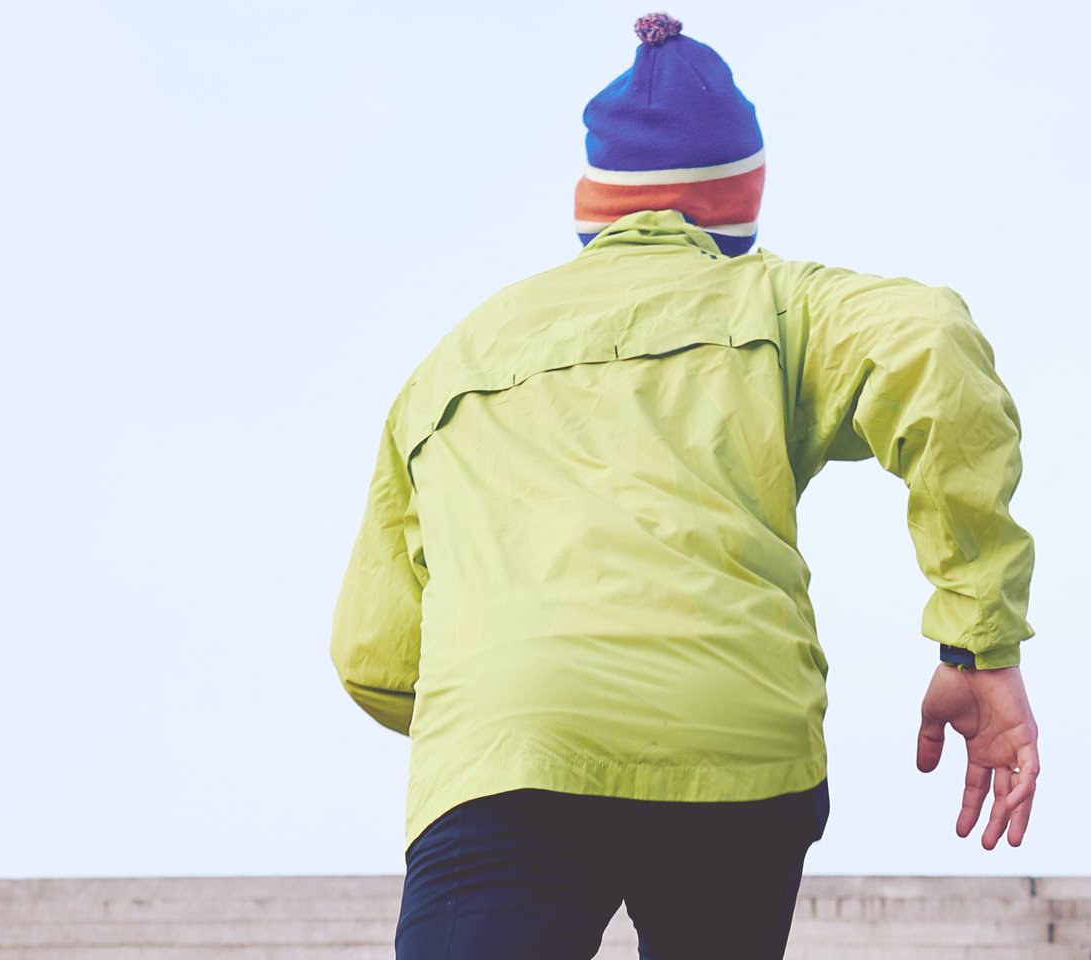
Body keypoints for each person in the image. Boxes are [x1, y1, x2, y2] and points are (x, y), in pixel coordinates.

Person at [330, 13, 1040, 959]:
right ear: (741, 195)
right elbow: (931, 343)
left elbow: (372, 657)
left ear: (592, 201)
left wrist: (516, 688)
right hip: (734, 744)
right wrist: (977, 641)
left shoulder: (451, 362)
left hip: (508, 748)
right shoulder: (779, 303)